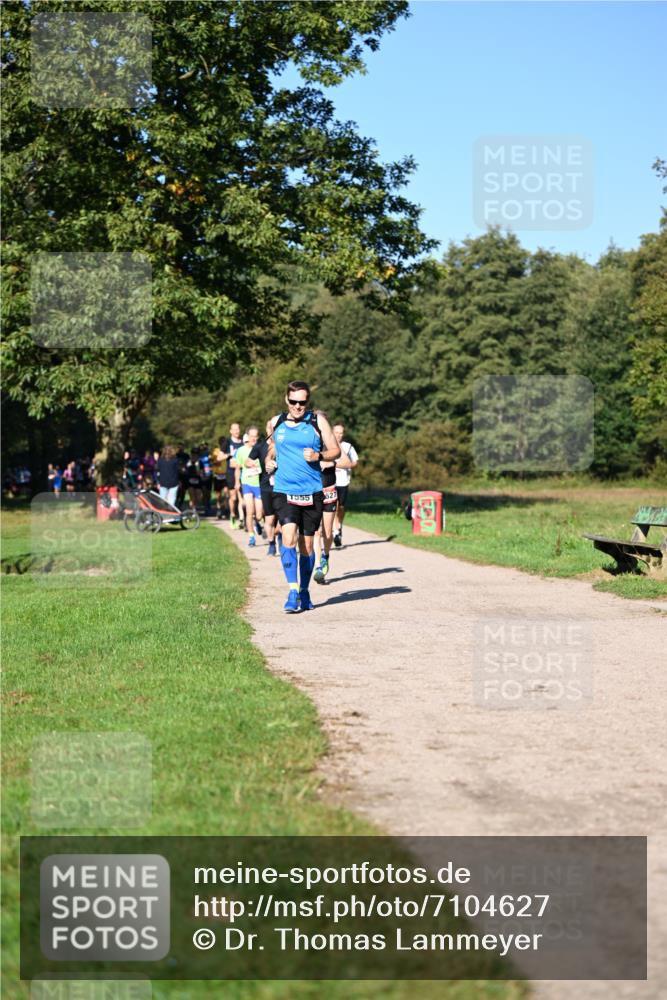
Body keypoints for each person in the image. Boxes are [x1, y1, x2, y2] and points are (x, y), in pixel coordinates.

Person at [268, 381, 340, 613]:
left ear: (308, 401)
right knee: (288, 536)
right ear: (286, 399)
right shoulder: (276, 422)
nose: (298, 406)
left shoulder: (318, 421)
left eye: (302, 402)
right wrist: (269, 460)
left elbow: (335, 450)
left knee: (307, 545)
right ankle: (292, 591)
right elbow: (272, 449)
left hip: (312, 491)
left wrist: (319, 455)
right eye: (293, 401)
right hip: (284, 489)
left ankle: (304, 591)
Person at [313, 414, 355, 584]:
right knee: (316, 531)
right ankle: (318, 566)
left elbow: (347, 463)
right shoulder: (307, 441)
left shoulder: (332, 443)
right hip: (313, 490)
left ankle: (326, 555)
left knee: (327, 531)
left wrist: (331, 463)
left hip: (329, 489)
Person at [250, 419, 279, 556]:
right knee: (269, 519)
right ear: (267, 430)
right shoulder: (260, 446)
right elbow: (248, 460)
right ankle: (272, 544)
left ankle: (280, 536)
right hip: (266, 486)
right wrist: (252, 465)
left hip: (282, 486)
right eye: (270, 428)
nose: (273, 430)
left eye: (275, 428)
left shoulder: (284, 445)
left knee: (285, 518)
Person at [234, 427, 264, 546]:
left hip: (258, 483)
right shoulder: (241, 450)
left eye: (256, 436)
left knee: (259, 514)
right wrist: (237, 482)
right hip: (246, 483)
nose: (254, 438)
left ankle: (258, 522)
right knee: (249, 511)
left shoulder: (261, 448)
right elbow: (237, 468)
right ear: (247, 436)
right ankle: (251, 537)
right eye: (251, 436)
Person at [332, 423, 359, 548]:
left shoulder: (348, 447)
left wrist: (347, 465)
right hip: (330, 481)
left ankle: (339, 526)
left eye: (341, 433)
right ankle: (335, 532)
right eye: (336, 432)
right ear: (332, 433)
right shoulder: (327, 445)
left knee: (341, 507)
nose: (338, 435)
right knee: (333, 506)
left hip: (343, 481)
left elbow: (355, 462)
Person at [222, 422, 244, 528]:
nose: (236, 431)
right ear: (230, 431)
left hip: (242, 472)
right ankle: (232, 515)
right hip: (231, 472)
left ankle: (242, 518)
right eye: (234, 429)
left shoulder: (243, 442)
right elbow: (219, 457)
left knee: (242, 497)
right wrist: (230, 455)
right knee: (234, 497)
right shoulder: (227, 442)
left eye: (238, 429)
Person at [211, 437, 230, 520]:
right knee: (218, 495)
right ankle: (219, 509)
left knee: (226, 493)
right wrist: (216, 462)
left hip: (226, 475)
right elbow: (212, 461)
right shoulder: (216, 451)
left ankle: (226, 509)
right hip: (217, 475)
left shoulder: (228, 451)